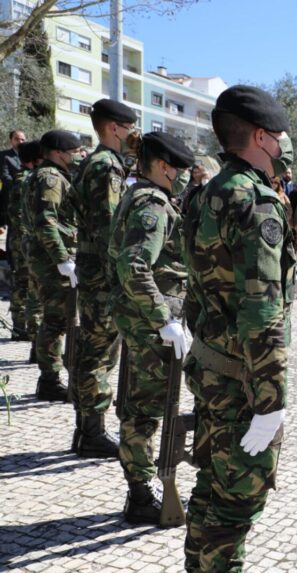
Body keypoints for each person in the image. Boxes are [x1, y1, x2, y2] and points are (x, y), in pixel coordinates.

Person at [180, 85, 297, 573]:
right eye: (278, 136)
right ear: (259, 136)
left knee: (211, 489)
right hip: (243, 380)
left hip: (213, 368)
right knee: (235, 502)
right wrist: (271, 401)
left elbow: (198, 292)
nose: (284, 145)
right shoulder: (256, 202)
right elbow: (261, 310)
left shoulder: (208, 193)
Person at [108, 132, 197, 524]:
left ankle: (140, 489)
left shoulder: (138, 194)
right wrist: (164, 320)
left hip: (141, 318)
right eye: (179, 170)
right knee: (144, 412)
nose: (182, 178)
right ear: (164, 167)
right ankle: (141, 495)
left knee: (139, 407)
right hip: (150, 323)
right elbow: (134, 265)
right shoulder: (153, 204)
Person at [73, 99, 139, 458]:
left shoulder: (97, 162)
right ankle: (91, 432)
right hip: (102, 274)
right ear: (115, 128)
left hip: (93, 270)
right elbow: (110, 229)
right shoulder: (106, 167)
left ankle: (87, 428)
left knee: (94, 350)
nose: (134, 134)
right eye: (130, 128)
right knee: (99, 354)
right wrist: (122, 280)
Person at [28, 130, 84, 401]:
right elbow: (46, 222)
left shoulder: (50, 175)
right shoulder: (50, 178)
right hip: (51, 260)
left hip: (49, 257)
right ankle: (49, 381)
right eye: (75, 152)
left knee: (57, 319)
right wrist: (62, 259)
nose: (79, 156)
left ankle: (50, 378)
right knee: (56, 321)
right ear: (60, 153)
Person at [5, 139, 40, 343]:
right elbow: (18, 215)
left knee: (25, 283)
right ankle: (20, 327)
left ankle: (23, 327)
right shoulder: (24, 181)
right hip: (22, 242)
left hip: (22, 240)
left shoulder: (26, 178)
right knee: (23, 283)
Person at [0, 129, 26, 231]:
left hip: (27, 199)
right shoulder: (4, 155)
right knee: (13, 230)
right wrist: (20, 186)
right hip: (11, 197)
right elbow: (5, 176)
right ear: (11, 140)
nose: (20, 142)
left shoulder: (29, 155)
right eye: (17, 139)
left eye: (22, 139)